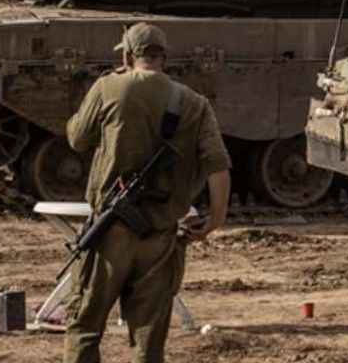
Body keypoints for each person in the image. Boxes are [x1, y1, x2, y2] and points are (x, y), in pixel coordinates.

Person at [64, 23, 232, 363]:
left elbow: (77, 139)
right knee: (149, 341)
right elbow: (217, 165)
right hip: (160, 236)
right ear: (163, 58)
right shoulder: (194, 102)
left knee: (84, 326)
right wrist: (215, 218)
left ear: (127, 56)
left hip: (109, 235)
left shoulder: (108, 87)